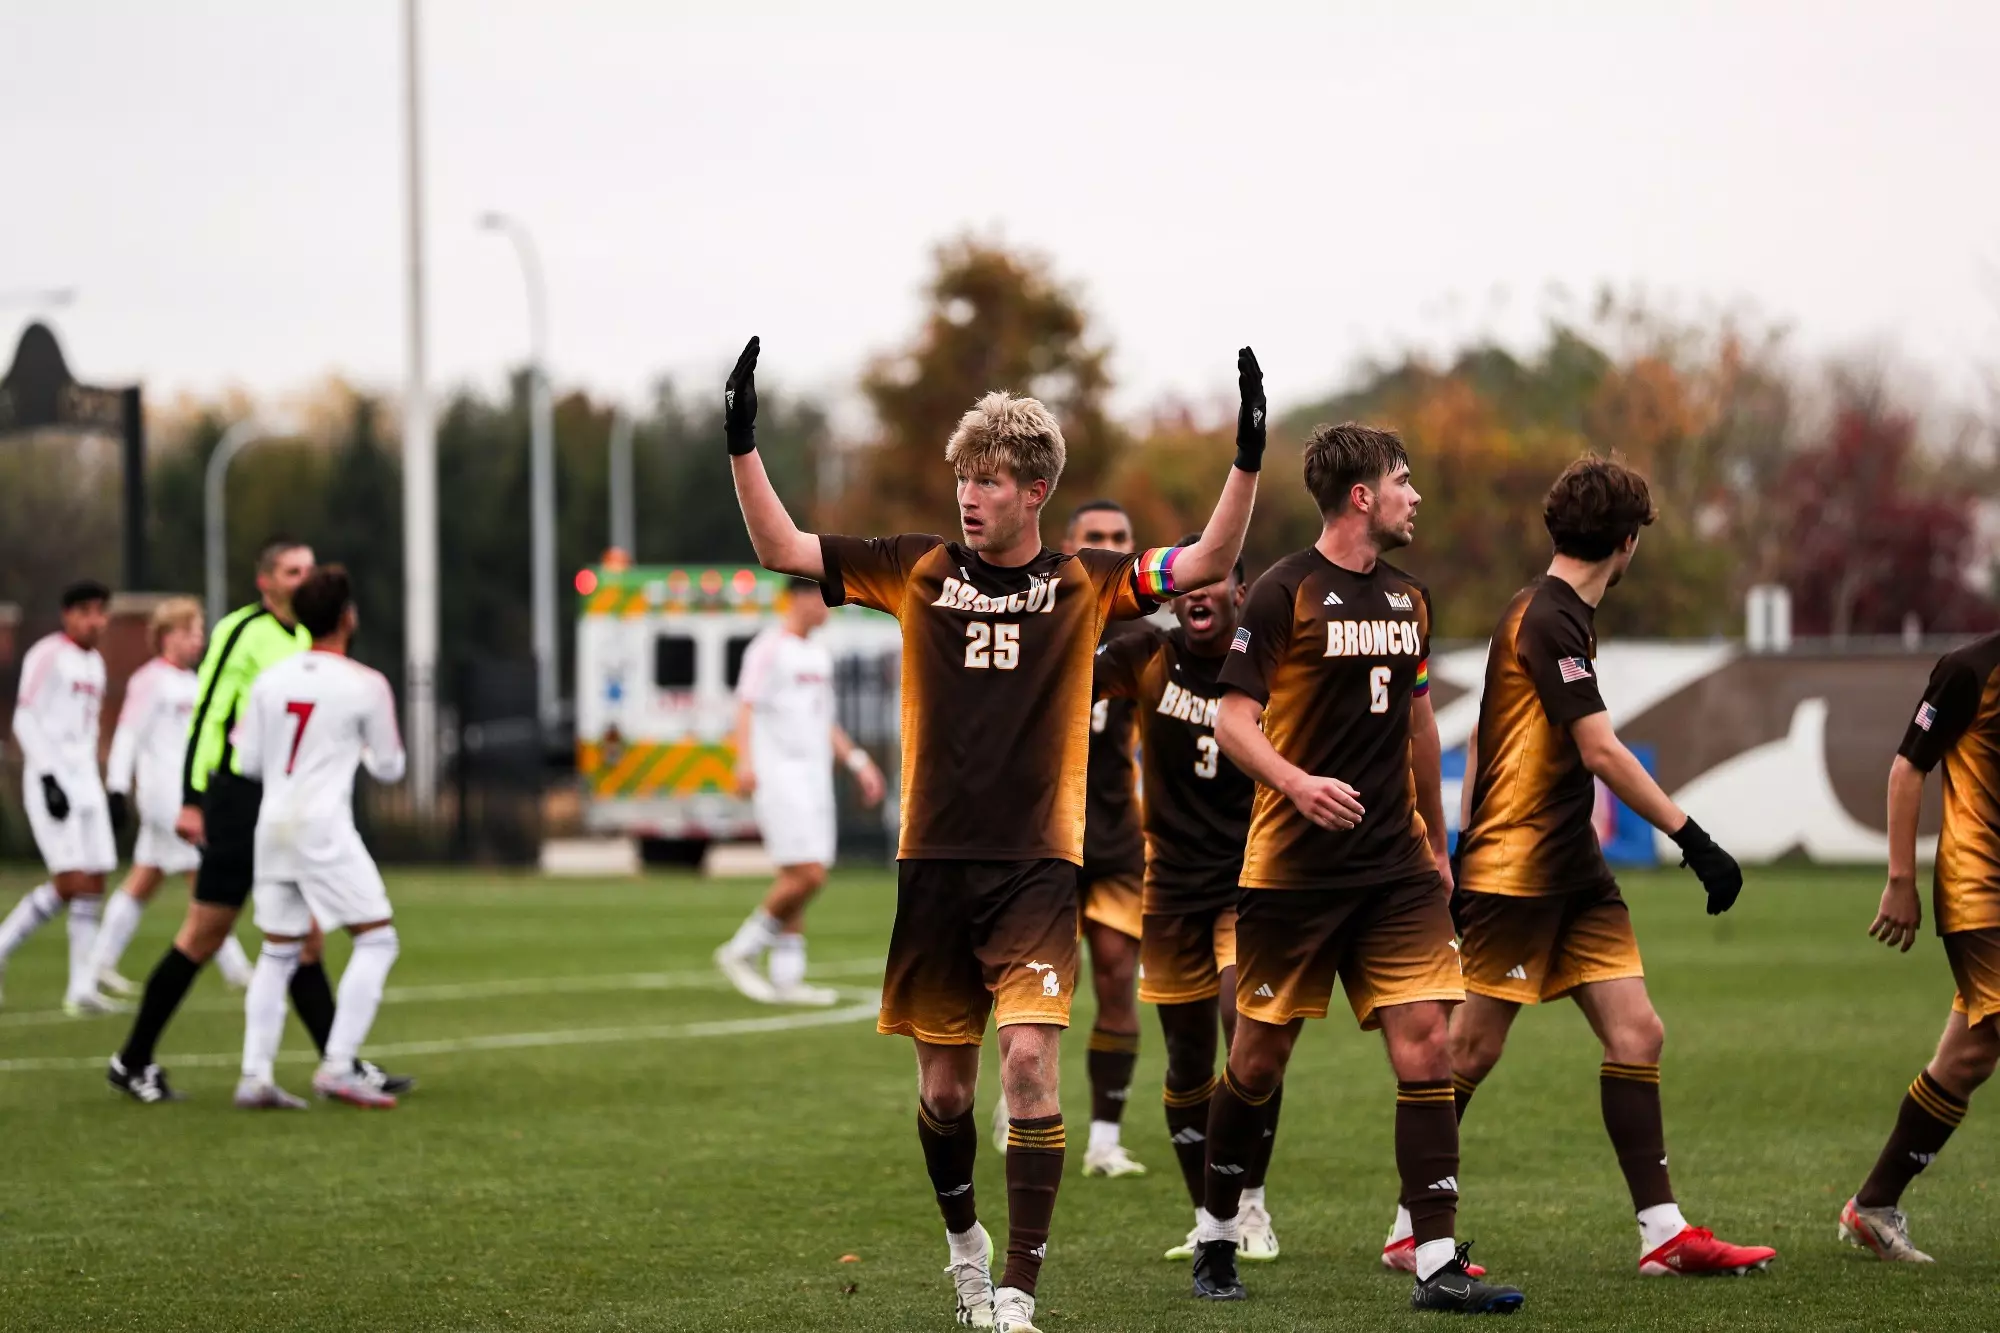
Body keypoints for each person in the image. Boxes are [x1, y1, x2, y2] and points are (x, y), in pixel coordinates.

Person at [724, 335, 1260, 1333]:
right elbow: (783, 548)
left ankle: (1015, 1289)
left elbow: (1208, 562)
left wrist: (1247, 458)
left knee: (1025, 1065)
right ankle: (965, 1245)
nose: (969, 497)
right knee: (943, 1093)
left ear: (1035, 491)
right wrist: (741, 443)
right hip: (931, 871)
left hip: (1035, 874)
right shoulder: (915, 568)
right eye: (964, 478)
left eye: (989, 481)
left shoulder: (1084, 582)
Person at [1416, 455, 1771, 1280]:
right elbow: (1602, 750)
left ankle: (1662, 1233)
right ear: (1628, 542)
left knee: (1637, 1032)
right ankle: (1412, 1227)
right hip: (1518, 871)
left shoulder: (1548, 611)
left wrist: (1459, 839)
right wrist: (1694, 838)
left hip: (1572, 871)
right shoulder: (1548, 618)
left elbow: (1488, 742)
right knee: (1470, 1048)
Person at [1195, 422, 1524, 1315]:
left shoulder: (1412, 598)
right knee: (1257, 1060)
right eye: (1404, 480)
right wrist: (1297, 784)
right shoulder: (1283, 591)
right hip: (1293, 874)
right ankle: (1217, 1229)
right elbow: (1232, 721)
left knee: (1428, 1045)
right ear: (1362, 496)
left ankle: (1436, 1260)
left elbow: (1417, 721)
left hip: (1394, 872)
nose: (1416, 496)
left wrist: (1437, 842)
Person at [106, 538, 407, 1103]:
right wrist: (194, 798)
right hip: (239, 799)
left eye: (308, 571)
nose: (302, 579)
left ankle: (327, 1064)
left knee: (299, 942)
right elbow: (209, 713)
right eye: (292, 571)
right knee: (205, 934)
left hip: (277, 804)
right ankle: (133, 1058)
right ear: (265, 581)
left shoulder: (303, 646)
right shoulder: (242, 631)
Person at [1091, 541, 1283, 1260]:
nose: (1200, 592)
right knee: (1186, 1059)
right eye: (1189, 583)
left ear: (1241, 591)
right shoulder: (1145, 653)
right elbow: (1062, 682)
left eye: (1216, 579)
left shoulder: (1268, 662)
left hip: (1248, 882)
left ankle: (1252, 1205)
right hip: (1170, 888)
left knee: (1247, 1032)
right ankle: (1209, 1214)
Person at [989, 499, 1151, 1176]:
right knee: (1034, 986)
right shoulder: (1033, 619)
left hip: (1113, 838)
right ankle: (1017, 1095)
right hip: (1038, 840)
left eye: (1120, 536)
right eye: (1096, 537)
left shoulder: (1147, 642)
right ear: (1069, 547)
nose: (1109, 546)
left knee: (1115, 976)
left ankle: (1105, 1140)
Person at [1838, 627, 2000, 1262]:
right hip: (1979, 888)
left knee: (1969, 1057)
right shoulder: (1968, 670)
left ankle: (1873, 1206)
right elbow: (1908, 766)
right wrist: (1901, 880)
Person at [234, 566, 409, 1109]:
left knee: (278, 950)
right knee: (377, 939)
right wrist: (357, 747)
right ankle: (338, 1065)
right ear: (348, 618)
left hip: (272, 824)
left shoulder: (271, 679)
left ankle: (255, 1075)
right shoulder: (365, 684)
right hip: (323, 826)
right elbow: (391, 768)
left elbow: (248, 762)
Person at [714, 575, 887, 1005]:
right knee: (809, 874)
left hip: (814, 779)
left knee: (801, 876)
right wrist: (744, 762)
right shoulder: (768, 647)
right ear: (799, 598)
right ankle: (742, 949)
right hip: (780, 775)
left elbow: (824, 720)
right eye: (824, 598)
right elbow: (745, 705)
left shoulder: (818, 654)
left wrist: (858, 762)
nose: (830, 607)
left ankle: (787, 977)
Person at [93, 598, 256, 996]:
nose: (198, 640)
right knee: (204, 876)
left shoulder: (195, 682)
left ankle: (98, 962)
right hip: (165, 797)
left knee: (144, 877)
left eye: (200, 632)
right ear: (167, 635)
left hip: (186, 793)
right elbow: (128, 735)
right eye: (189, 632)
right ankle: (237, 969)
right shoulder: (150, 680)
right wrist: (117, 787)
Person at [0, 580, 118, 1015]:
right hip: (52, 781)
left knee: (96, 878)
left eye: (100, 612)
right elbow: (25, 717)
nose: (94, 621)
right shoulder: (48, 654)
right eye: (85, 612)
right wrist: (49, 777)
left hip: (86, 783)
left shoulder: (96, 664)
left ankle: (81, 988)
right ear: (68, 615)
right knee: (69, 883)